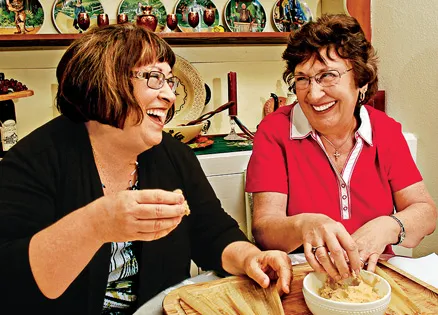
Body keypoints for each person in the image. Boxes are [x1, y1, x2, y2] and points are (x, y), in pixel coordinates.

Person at [0, 24, 292, 314]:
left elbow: (212, 233)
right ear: (103, 81)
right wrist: (97, 224)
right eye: (154, 78)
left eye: (169, 81)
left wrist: (250, 257)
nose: (170, 96)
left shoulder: (173, 155)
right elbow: (12, 282)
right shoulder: (33, 162)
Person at [245, 14, 437, 282]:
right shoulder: (274, 131)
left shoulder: (385, 130)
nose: (313, 95)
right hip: (304, 274)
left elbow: (425, 212)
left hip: (375, 273)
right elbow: (264, 230)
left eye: (327, 76)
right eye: (302, 79)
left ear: (361, 80)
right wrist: (305, 225)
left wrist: (390, 225)